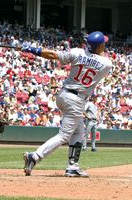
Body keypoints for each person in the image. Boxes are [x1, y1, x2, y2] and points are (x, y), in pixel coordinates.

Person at [21, 31, 113, 177]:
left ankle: (73, 166)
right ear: (100, 46)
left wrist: (33, 50)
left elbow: (53, 55)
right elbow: (98, 54)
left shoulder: (77, 52)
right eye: (103, 44)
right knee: (64, 136)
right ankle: (35, 156)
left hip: (63, 95)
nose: (105, 46)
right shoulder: (106, 64)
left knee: (79, 131)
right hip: (77, 100)